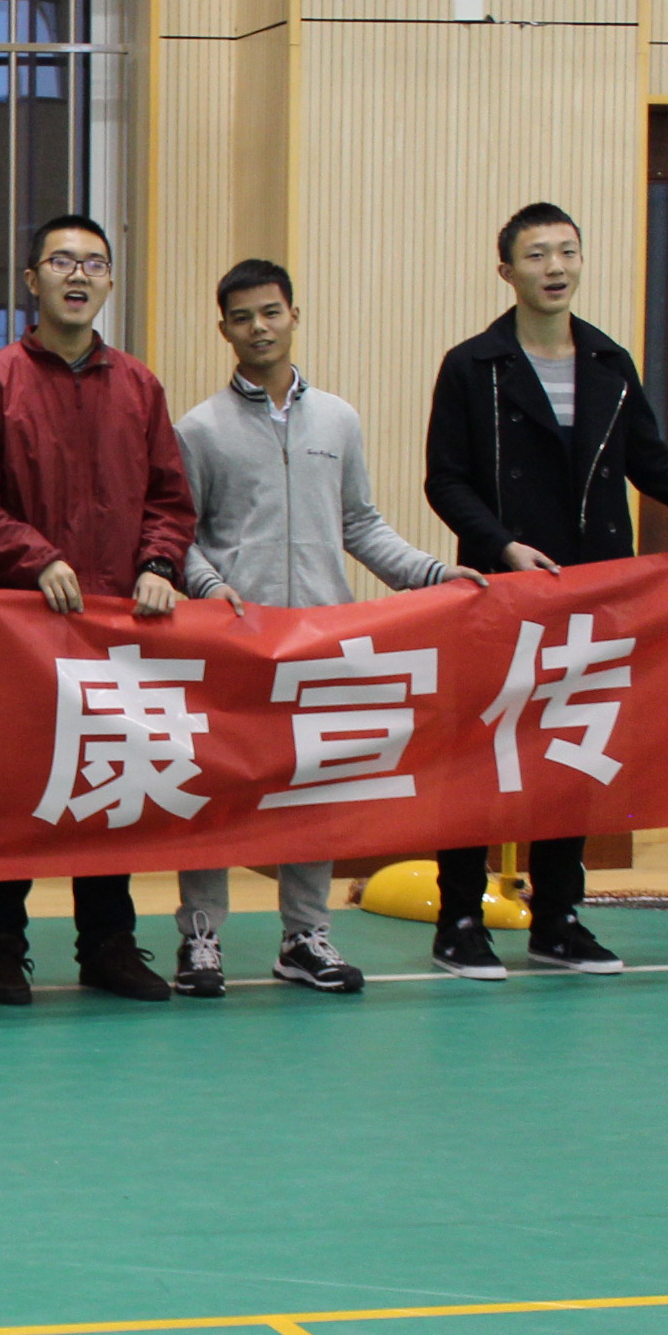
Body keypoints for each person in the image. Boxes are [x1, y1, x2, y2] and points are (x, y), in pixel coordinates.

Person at [421, 203, 668, 980]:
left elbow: (657, 468)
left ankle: (558, 919)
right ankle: (460, 919)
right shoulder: (473, 365)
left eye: (567, 252)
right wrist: (503, 546)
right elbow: (446, 480)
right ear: (506, 271)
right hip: (505, 594)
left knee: (572, 753)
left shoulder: (609, 362)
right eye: (537, 255)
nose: (555, 267)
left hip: (596, 592)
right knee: (482, 755)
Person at [176, 259, 477, 999]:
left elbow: (361, 524)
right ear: (223, 330)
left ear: (293, 316)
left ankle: (305, 937)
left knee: (312, 793)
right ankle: (201, 937)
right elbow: (179, 536)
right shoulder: (199, 429)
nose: (258, 328)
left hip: (321, 641)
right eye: (242, 317)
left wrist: (434, 575)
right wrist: (211, 589)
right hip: (232, 643)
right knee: (215, 790)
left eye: (270, 312)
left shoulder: (338, 419)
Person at [0, 213, 199, 1006]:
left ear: (110, 282)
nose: (78, 274)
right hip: (23, 627)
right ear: (32, 281)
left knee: (109, 783)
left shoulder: (140, 386)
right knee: (14, 789)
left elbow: (169, 499)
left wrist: (158, 564)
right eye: (61, 261)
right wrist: (38, 558)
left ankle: (109, 947)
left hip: (117, 625)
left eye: (93, 263)